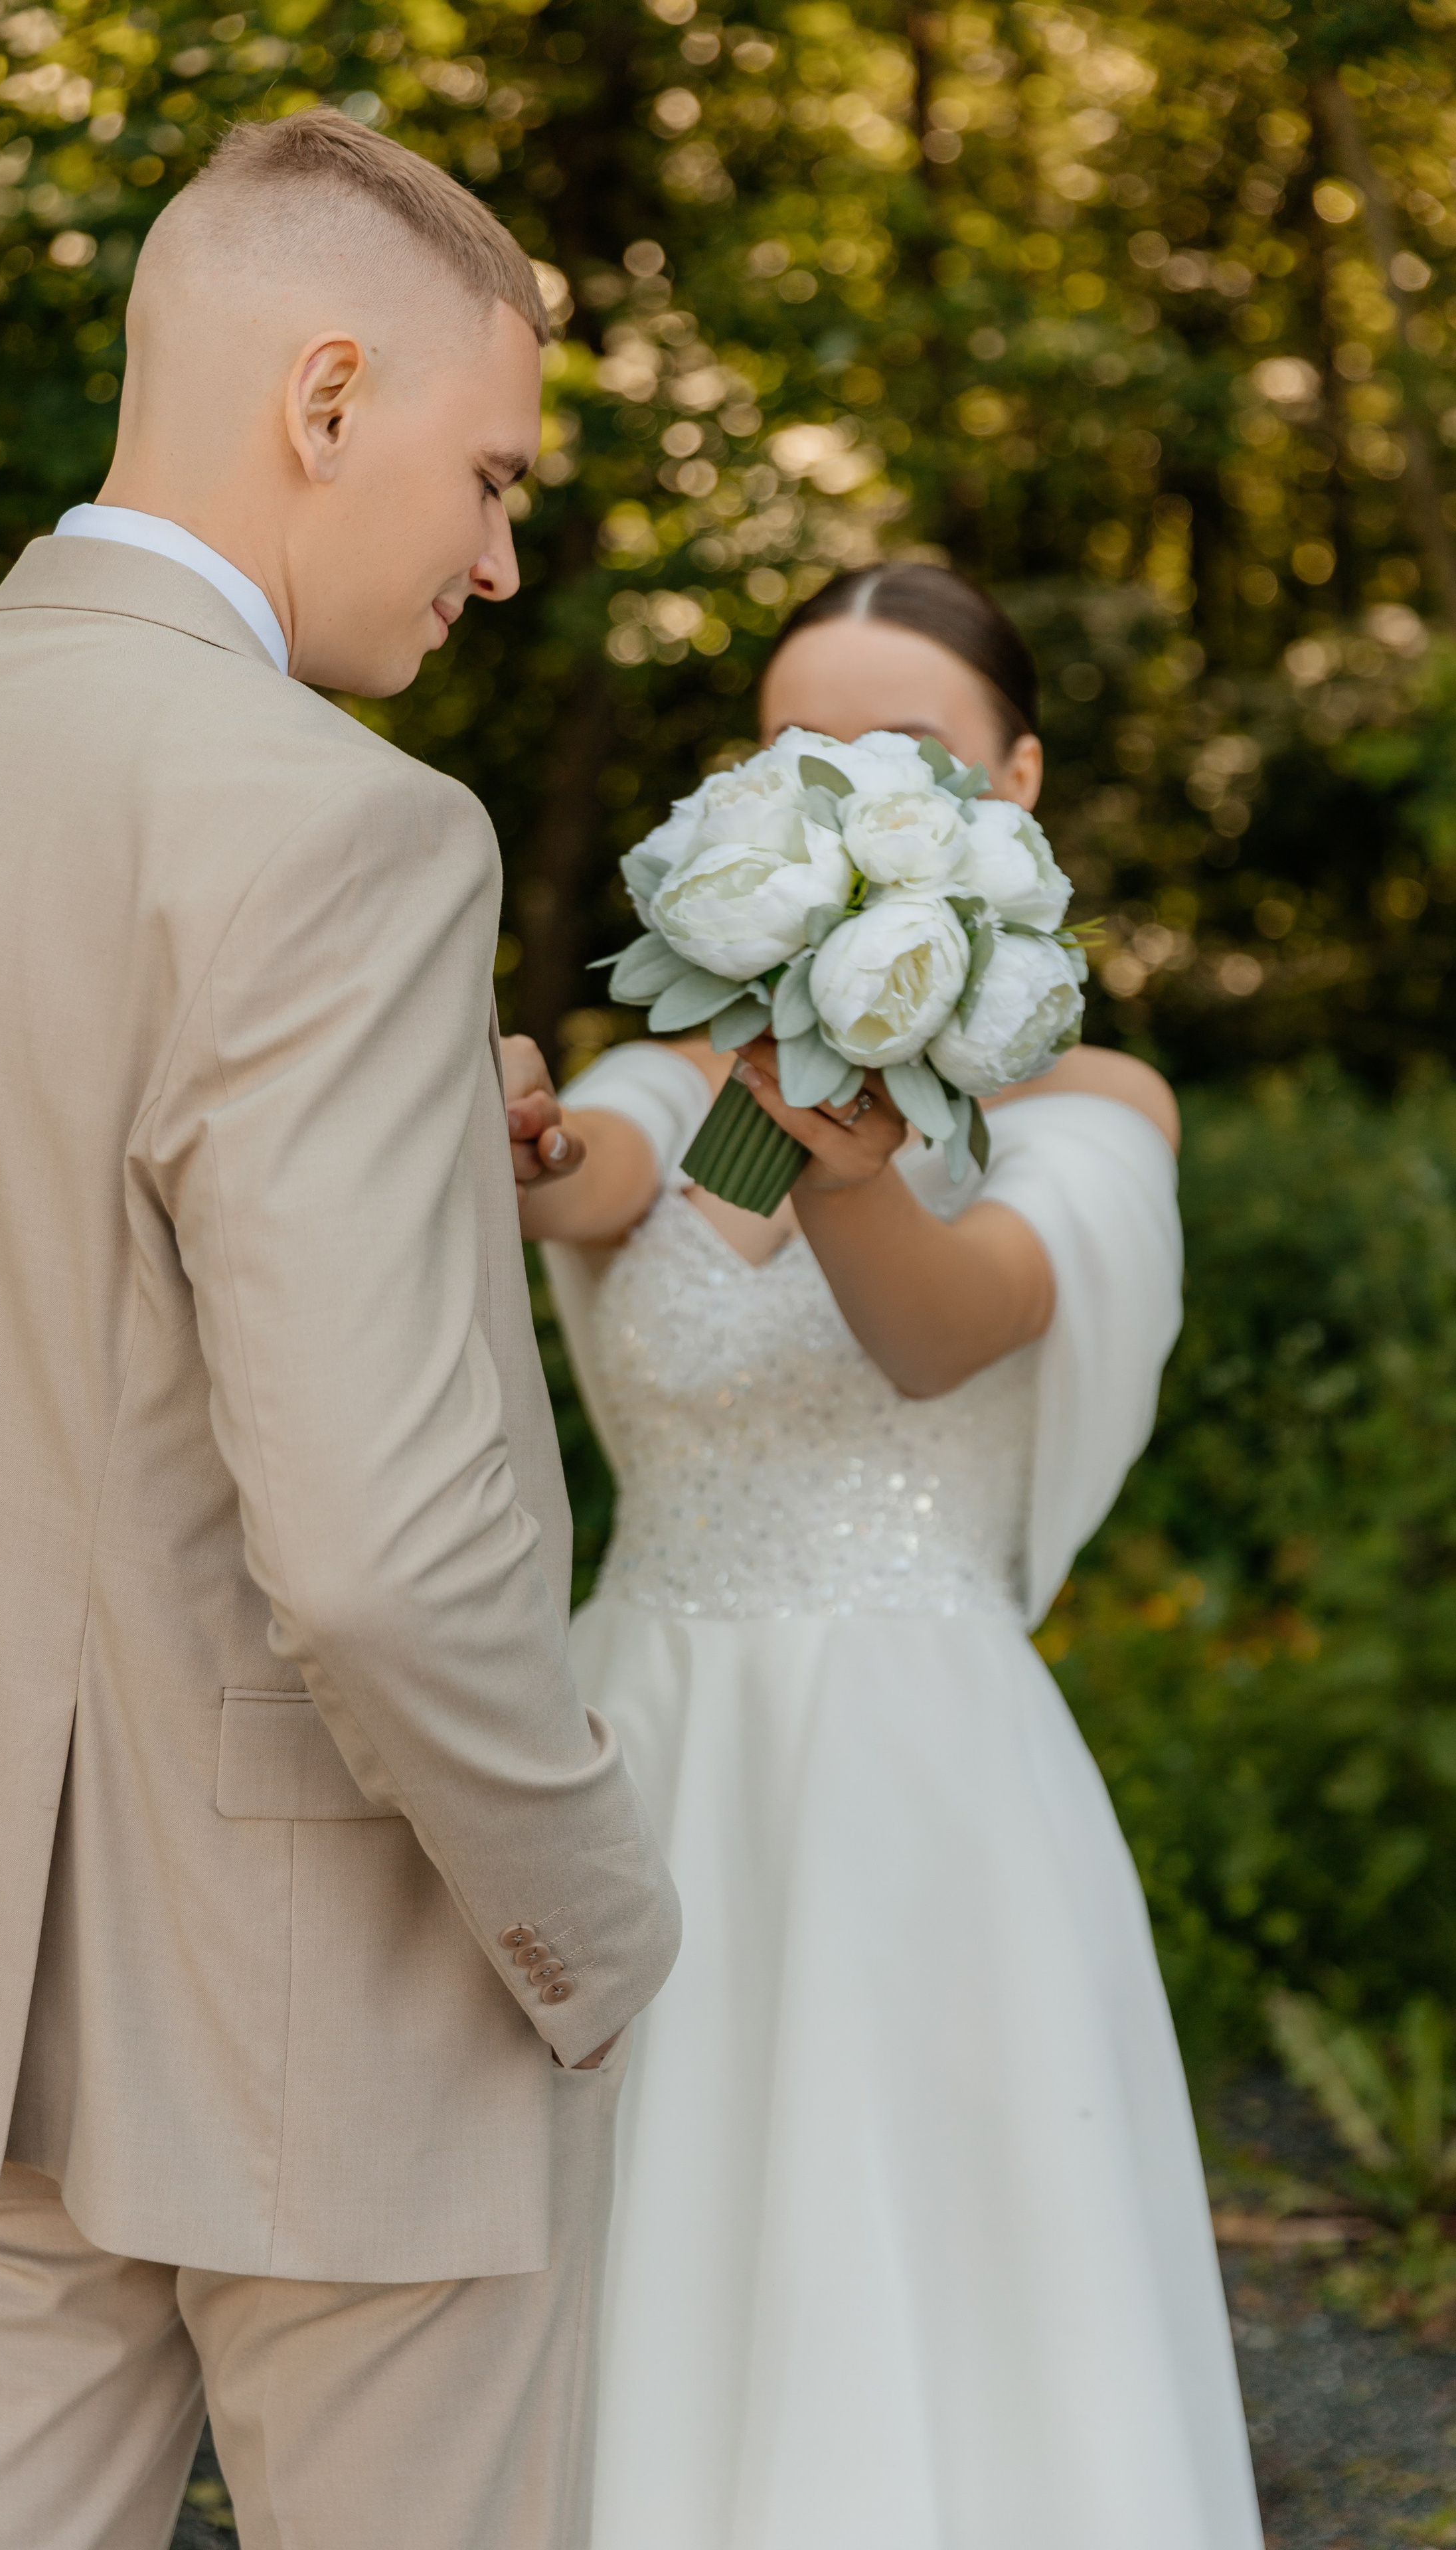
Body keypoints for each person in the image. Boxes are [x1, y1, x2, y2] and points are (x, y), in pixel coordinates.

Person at [0, 108, 679, 2550]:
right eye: (489, 478)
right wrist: (588, 1904)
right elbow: (377, 1556)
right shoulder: (349, 829)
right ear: (326, 394)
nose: (501, 557)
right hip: (333, 1998)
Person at [511, 562, 1263, 2549]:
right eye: (797, 756)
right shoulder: (672, 1087)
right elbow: (580, 1182)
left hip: (918, 1800)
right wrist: (499, 1122)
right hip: (637, 1755)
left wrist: (851, 1175)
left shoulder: (1090, 1106)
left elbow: (945, 1329)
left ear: (1013, 783)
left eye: (903, 760)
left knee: (910, 2300)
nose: (844, 801)